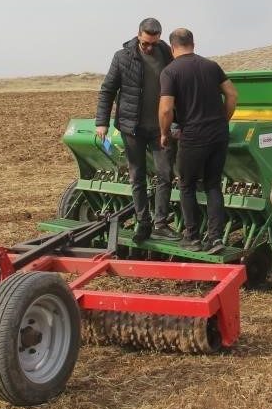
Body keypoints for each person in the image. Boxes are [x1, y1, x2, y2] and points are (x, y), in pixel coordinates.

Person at [96, 18, 179, 244]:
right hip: (132, 127)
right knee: (137, 176)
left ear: (160, 37)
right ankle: (143, 222)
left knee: (165, 174)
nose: (149, 48)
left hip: (161, 128)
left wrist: (177, 122)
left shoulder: (167, 54)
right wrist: (101, 122)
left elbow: (179, 88)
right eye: (145, 43)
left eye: (153, 43)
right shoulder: (122, 57)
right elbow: (107, 90)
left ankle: (161, 224)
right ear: (138, 35)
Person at [158, 28, 238, 254]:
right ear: (193, 43)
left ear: (172, 47)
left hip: (193, 137)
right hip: (218, 134)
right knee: (213, 184)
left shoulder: (170, 71)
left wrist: (164, 133)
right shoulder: (211, 66)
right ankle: (216, 239)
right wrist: (224, 119)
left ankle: (192, 237)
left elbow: (165, 110)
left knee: (187, 185)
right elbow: (232, 95)